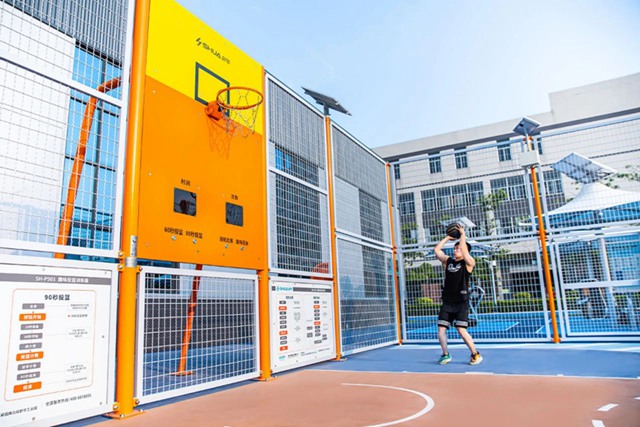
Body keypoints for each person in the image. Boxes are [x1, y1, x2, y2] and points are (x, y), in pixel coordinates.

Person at [433, 224, 482, 365]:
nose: (455, 250)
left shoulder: (469, 263)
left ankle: (475, 354)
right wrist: (448, 237)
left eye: (458, 248)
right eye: (454, 248)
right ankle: (445, 354)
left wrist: (462, 235)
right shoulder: (448, 261)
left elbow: (465, 252)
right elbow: (437, 250)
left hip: (461, 303)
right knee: (441, 330)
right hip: (447, 302)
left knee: (461, 330)